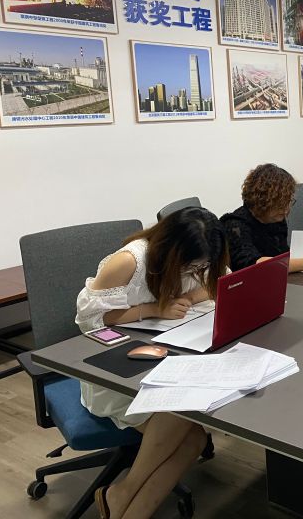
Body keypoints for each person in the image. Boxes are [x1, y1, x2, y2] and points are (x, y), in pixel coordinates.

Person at [75, 207, 228, 519]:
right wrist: (152, 309)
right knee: (183, 409)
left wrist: (189, 298)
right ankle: (122, 495)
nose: (196, 271)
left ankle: (122, 501)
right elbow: (89, 320)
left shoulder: (198, 257)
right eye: (191, 266)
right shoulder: (130, 262)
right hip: (117, 375)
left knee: (195, 438)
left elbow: (214, 283)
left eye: (201, 265)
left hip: (163, 359)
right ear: (170, 249)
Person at [220, 164, 303, 272]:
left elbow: (282, 255)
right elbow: (253, 265)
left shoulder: (275, 219)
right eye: (280, 204)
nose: (286, 209)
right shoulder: (235, 225)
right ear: (262, 201)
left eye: (289, 201)